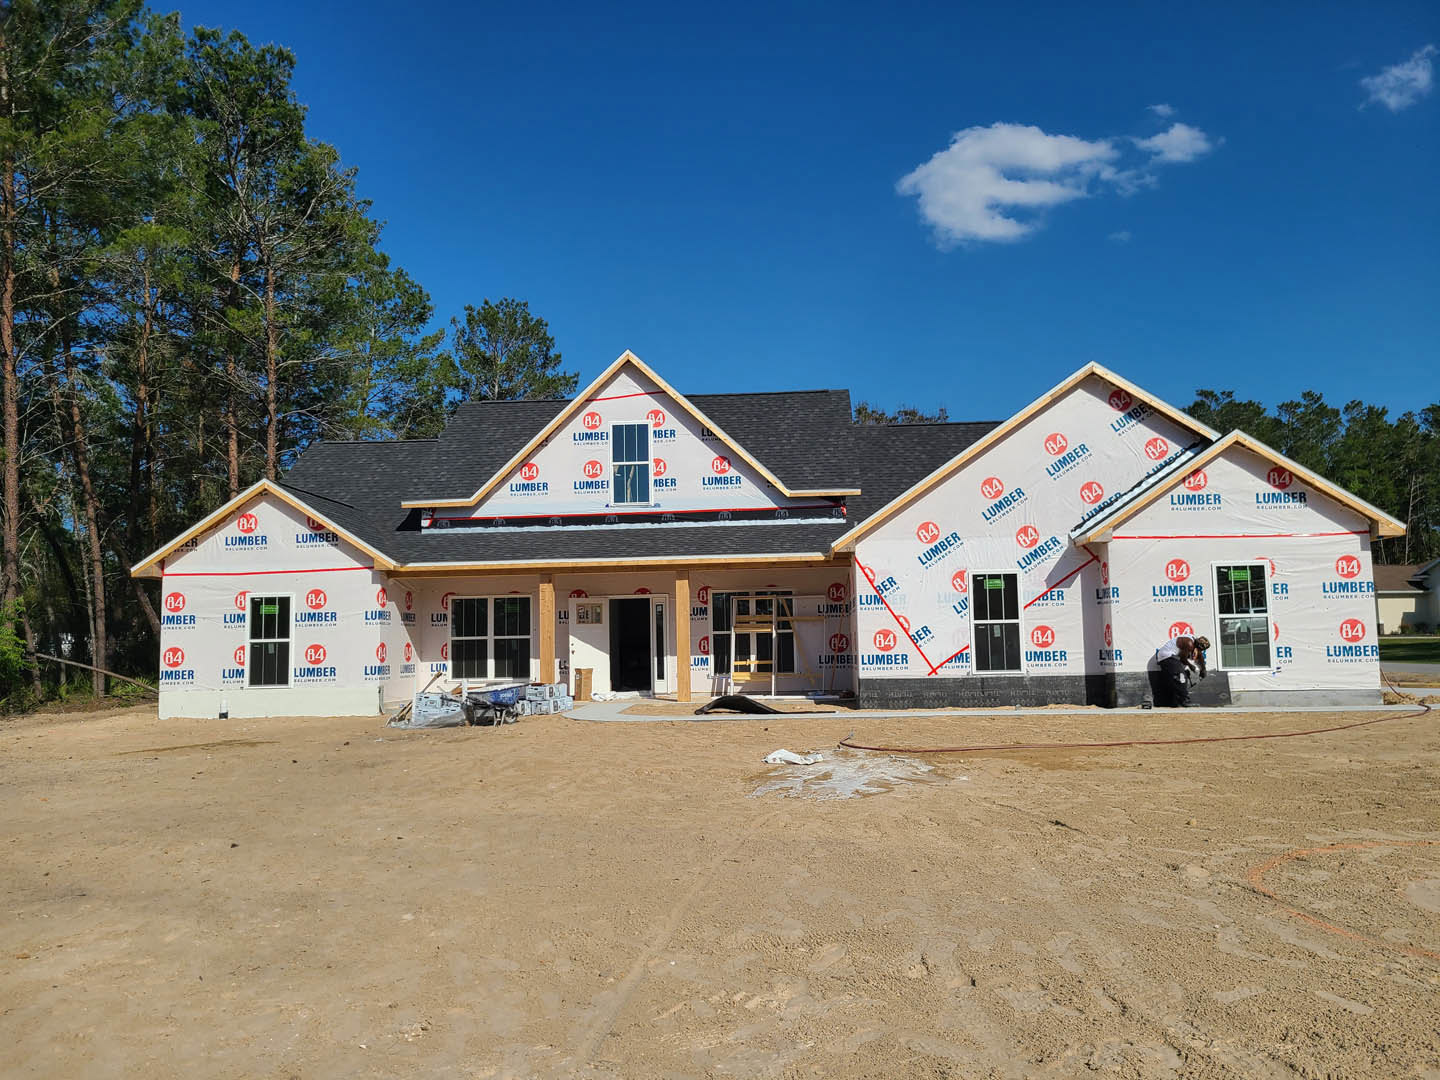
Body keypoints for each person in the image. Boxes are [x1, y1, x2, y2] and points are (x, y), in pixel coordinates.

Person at [1155, 634, 1210, 707]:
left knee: (1181, 677)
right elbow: (1183, 659)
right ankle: (1185, 701)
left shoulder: (1194, 642)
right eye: (1200, 649)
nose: (1199, 651)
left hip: (1171, 657)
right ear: (1198, 646)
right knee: (1181, 677)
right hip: (1166, 656)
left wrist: (1203, 669)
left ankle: (1175, 701)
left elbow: (1200, 657)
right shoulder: (1189, 643)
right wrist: (1191, 666)